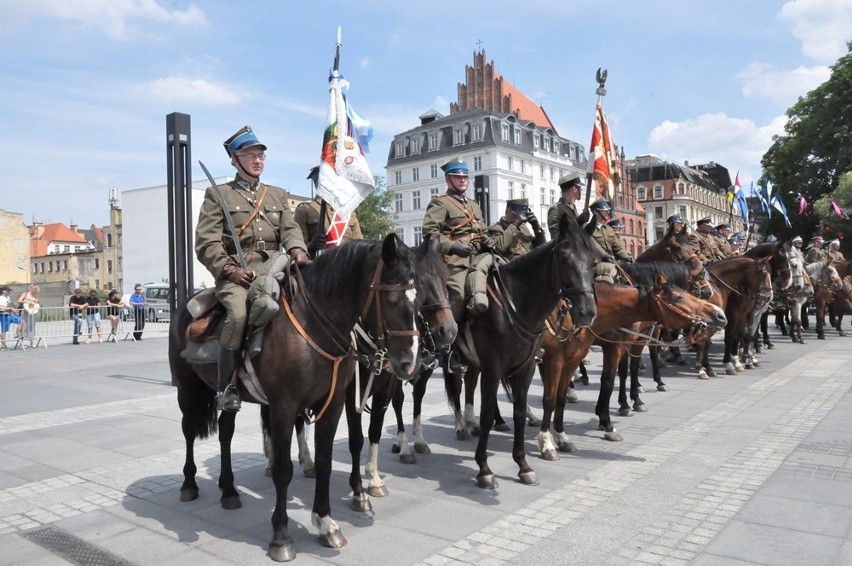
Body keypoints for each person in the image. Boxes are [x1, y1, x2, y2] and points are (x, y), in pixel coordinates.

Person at [195, 125, 310, 412]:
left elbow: (290, 230)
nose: (257, 160)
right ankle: (228, 386)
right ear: (235, 160)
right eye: (250, 155)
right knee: (238, 313)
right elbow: (206, 242)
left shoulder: (277, 195)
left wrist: (298, 250)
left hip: (276, 267)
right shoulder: (218, 195)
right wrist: (228, 269)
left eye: (260, 155)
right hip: (239, 275)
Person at [422, 158, 494, 373]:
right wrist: (453, 247)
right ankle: (447, 349)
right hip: (455, 261)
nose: (462, 180)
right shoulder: (440, 202)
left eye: (465, 177)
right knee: (459, 295)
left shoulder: (473, 205)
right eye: (458, 177)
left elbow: (481, 231)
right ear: (448, 179)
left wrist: (487, 240)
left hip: (479, 257)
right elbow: (430, 234)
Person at [295, 166, 363, 258]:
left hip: (347, 266)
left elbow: (359, 245)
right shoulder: (305, 209)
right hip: (319, 265)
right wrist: (312, 245)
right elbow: (298, 246)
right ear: (318, 183)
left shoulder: (348, 211)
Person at [547, 172, 584, 238]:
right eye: (579, 187)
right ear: (574, 189)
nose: (581, 190)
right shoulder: (556, 209)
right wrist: (578, 223)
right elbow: (556, 237)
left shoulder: (572, 208)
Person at [1, 286, 24, 350]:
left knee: (21, 321)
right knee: (4, 330)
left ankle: (17, 334)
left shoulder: (8, 297)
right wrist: (11, 308)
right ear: (3, 291)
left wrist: (13, 307)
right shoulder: (1, 298)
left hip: (9, 314)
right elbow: (1, 308)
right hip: (3, 315)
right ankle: (3, 345)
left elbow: (9, 305)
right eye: (8, 291)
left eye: (10, 291)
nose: (9, 292)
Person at [16, 283, 39, 348]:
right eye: (35, 289)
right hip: (25, 312)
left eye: (36, 289)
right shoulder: (25, 294)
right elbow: (19, 300)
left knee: (32, 327)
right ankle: (21, 343)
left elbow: (36, 303)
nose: (36, 290)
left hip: (32, 313)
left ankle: (32, 342)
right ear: (31, 288)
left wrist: (37, 301)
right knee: (24, 327)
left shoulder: (34, 295)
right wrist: (27, 301)